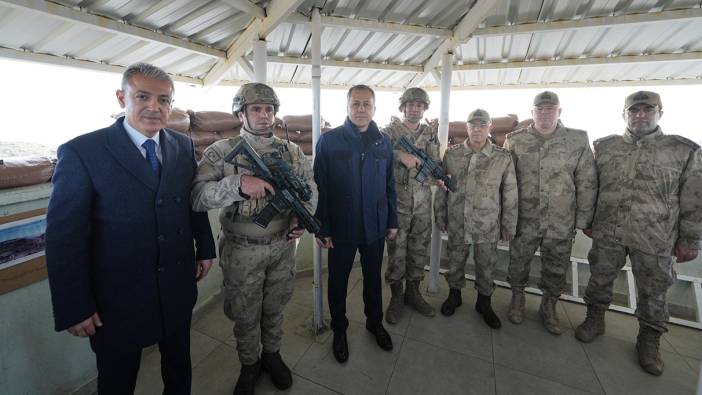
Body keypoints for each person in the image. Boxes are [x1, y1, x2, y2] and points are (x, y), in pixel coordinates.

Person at [45, 62, 216, 395]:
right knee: (117, 381)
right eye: (143, 96)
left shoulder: (182, 147)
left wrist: (205, 247)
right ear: (122, 98)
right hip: (117, 299)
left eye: (164, 100)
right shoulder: (82, 152)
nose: (154, 107)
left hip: (177, 286)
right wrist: (74, 306)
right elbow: (64, 238)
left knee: (179, 369)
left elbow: (191, 202)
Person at [191, 83, 316, 395]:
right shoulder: (220, 151)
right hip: (241, 249)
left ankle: (272, 355)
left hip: (282, 245)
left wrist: (302, 215)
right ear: (241, 112)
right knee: (245, 313)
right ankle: (250, 364)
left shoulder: (292, 151)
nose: (264, 115)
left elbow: (310, 189)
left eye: (270, 109)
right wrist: (237, 184)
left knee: (275, 306)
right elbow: (196, 196)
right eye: (256, 109)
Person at [575, 91, 702, 376]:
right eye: (634, 111)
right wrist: (588, 219)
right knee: (600, 278)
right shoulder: (606, 147)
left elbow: (694, 199)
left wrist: (690, 240)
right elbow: (591, 186)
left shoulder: (683, 150)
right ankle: (594, 319)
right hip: (609, 229)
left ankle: (649, 340)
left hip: (656, 236)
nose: (641, 115)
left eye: (648, 110)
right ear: (625, 114)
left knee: (654, 291)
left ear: (660, 112)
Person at [314, 84, 399, 363]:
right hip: (341, 228)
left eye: (366, 104)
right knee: (338, 282)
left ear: (374, 108)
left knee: (373, 279)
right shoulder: (330, 141)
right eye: (355, 104)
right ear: (347, 107)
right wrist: (322, 228)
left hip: (374, 226)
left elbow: (389, 184)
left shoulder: (383, 141)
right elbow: (320, 188)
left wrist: (392, 220)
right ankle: (340, 330)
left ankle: (375, 323)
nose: (361, 109)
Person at [503, 91, 597, 335]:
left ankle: (549, 307)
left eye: (550, 108)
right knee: (518, 262)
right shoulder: (515, 140)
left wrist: (584, 220)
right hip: (524, 218)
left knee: (556, 267)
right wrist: (506, 215)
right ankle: (517, 300)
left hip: (560, 220)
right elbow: (506, 181)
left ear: (559, 111)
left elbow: (586, 180)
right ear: (532, 112)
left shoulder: (578, 140)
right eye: (540, 109)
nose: (545, 113)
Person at [435, 109, 518, 328]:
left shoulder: (503, 158)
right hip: (457, 220)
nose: (477, 129)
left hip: (487, 224)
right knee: (454, 261)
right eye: (473, 125)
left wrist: (508, 224)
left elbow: (510, 193)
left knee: (487, 265)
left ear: (490, 127)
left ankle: (484, 303)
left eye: (482, 125)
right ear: (467, 128)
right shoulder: (451, 155)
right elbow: (442, 188)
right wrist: (440, 215)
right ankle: (454, 296)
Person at [382, 87, 443, 324]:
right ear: (403, 106)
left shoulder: (429, 133)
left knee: (419, 249)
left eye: (419, 105)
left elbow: (436, 161)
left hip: (422, 203)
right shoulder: (388, 132)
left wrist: (437, 174)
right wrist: (398, 155)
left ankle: (413, 293)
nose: (415, 109)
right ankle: (397, 296)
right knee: (397, 251)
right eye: (411, 104)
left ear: (424, 108)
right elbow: (376, 155)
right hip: (397, 201)